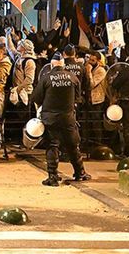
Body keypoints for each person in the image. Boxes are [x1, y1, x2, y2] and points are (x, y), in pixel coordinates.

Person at [32, 53, 90, 186]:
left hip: (50, 118)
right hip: (68, 117)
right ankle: (80, 172)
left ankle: (53, 176)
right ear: (63, 65)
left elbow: (36, 98)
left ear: (52, 65)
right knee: (73, 145)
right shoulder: (73, 77)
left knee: (52, 146)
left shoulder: (46, 78)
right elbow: (78, 97)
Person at [85, 51, 107, 150]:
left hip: (97, 100)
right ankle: (88, 143)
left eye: (93, 60)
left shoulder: (101, 71)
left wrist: (89, 72)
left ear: (98, 61)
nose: (90, 62)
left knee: (96, 123)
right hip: (88, 99)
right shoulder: (87, 67)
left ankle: (98, 144)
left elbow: (92, 84)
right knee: (87, 122)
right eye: (89, 59)